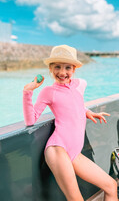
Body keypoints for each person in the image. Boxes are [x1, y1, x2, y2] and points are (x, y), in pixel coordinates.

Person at [23, 45, 118, 201]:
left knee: (111, 186)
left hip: (74, 152)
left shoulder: (79, 85)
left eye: (67, 67)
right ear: (50, 69)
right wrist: (27, 92)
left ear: (74, 69)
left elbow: (75, 103)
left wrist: (88, 112)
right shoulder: (48, 91)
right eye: (57, 67)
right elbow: (31, 119)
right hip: (58, 148)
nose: (62, 72)